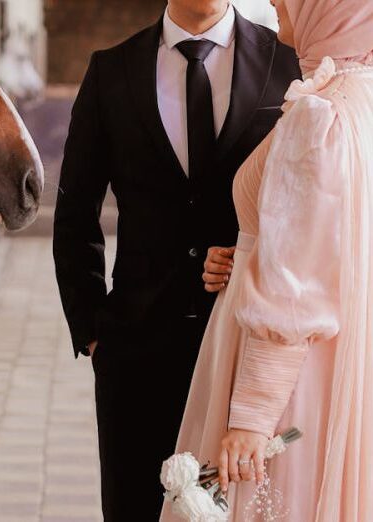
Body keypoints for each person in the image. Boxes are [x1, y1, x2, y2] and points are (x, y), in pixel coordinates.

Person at [53, 1, 299, 519]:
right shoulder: (111, 70)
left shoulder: (287, 64)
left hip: (243, 346)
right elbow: (75, 214)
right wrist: (96, 333)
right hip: (136, 353)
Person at [161, 0, 373, 520]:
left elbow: (297, 285)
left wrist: (252, 416)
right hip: (338, 359)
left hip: (291, 381)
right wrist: (257, 252)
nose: (277, 1)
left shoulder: (321, 117)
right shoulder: (362, 99)